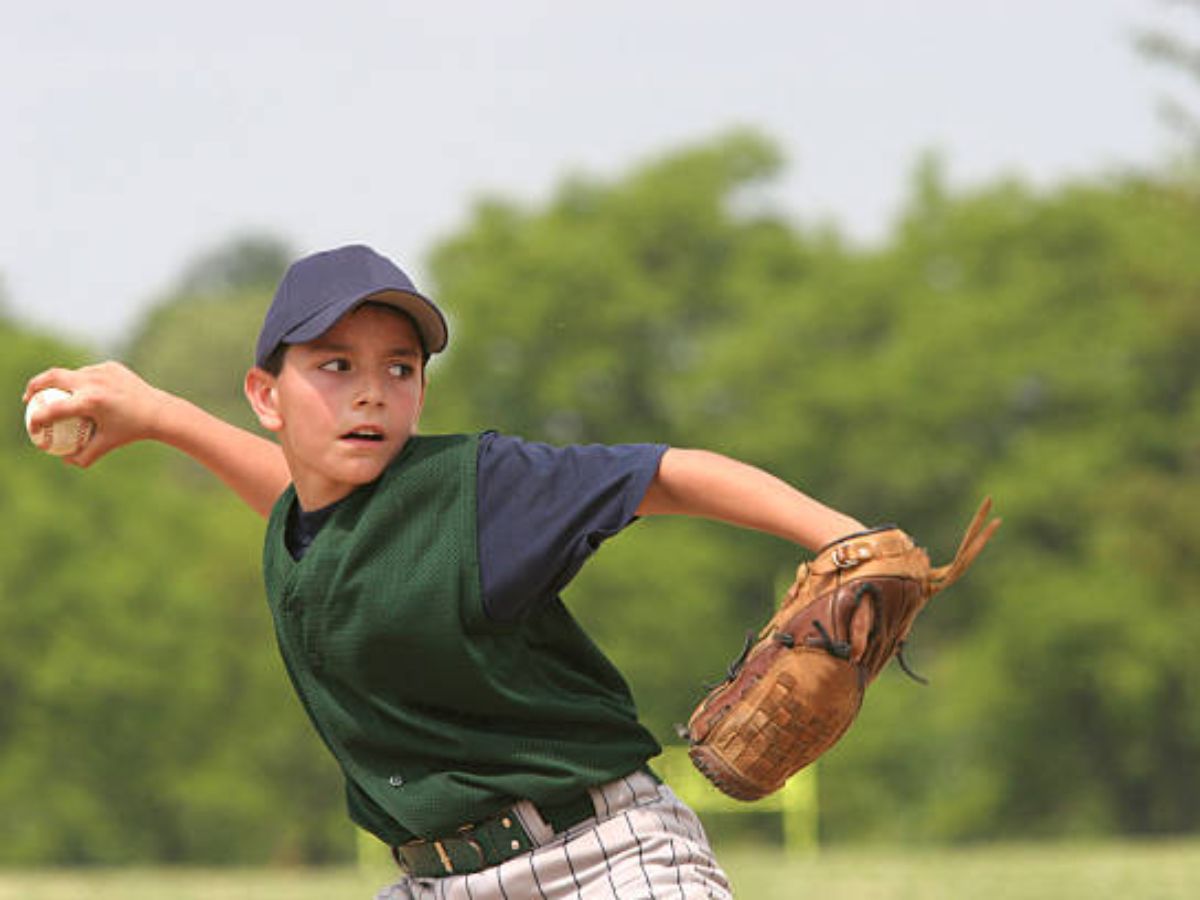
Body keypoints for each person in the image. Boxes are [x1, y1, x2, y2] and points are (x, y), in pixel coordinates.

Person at [25, 244, 866, 899]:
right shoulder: (314, 523)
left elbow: (663, 472)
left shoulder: (477, 492)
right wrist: (160, 415)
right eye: (335, 365)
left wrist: (846, 542)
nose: (372, 392)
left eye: (400, 367)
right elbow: (297, 493)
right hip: (437, 880)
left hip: (602, 860)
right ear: (265, 395)